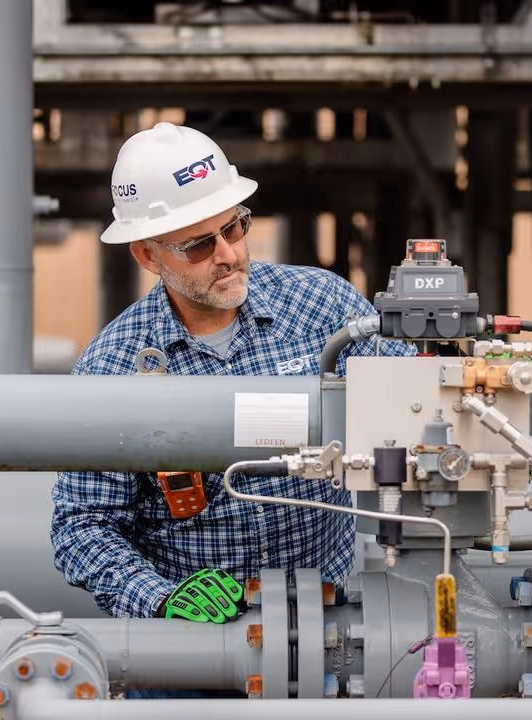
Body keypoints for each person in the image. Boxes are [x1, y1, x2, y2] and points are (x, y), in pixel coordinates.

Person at [50, 122, 414, 627]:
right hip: (190, 654)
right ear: (147, 255)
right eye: (198, 245)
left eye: (235, 228)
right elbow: (82, 526)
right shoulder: (112, 368)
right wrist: (159, 598)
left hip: (329, 634)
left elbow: (415, 409)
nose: (227, 255)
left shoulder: (322, 307)